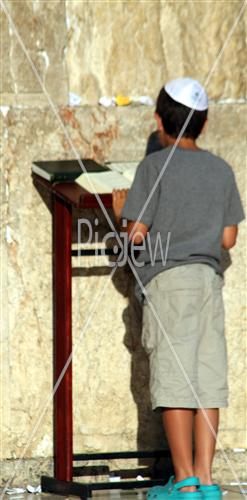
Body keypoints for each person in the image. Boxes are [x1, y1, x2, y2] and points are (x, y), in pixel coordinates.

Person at [112, 78, 245, 500]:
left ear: (158, 120)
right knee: (207, 379)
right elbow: (228, 239)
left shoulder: (153, 167)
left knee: (174, 379)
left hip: (169, 282)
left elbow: (136, 234)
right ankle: (206, 481)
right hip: (209, 281)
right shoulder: (221, 169)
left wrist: (120, 210)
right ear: (203, 124)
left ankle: (183, 479)